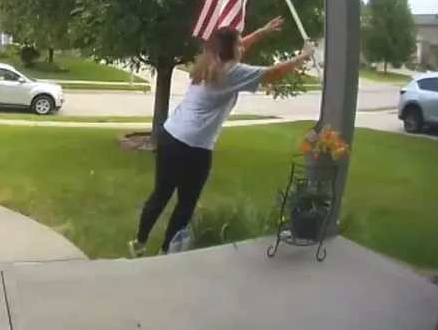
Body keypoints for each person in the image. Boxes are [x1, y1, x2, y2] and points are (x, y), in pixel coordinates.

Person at [128, 17, 316, 257]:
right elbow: (272, 73)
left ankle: (139, 244)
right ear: (229, 50)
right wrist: (303, 56)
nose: (242, 48)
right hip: (194, 147)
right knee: (185, 203)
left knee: (161, 193)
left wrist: (261, 32)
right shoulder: (231, 72)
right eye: (238, 45)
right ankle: (167, 252)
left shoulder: (207, 62)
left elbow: (237, 48)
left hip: (171, 136)